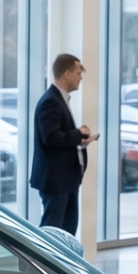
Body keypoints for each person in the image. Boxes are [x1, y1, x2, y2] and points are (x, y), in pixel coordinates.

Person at [32, 55, 95, 233]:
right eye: (78, 73)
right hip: (56, 179)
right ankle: (41, 253)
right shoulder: (50, 101)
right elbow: (51, 138)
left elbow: (60, 136)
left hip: (66, 179)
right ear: (67, 74)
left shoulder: (59, 99)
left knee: (67, 230)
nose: (80, 78)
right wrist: (78, 134)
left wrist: (79, 139)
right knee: (53, 230)